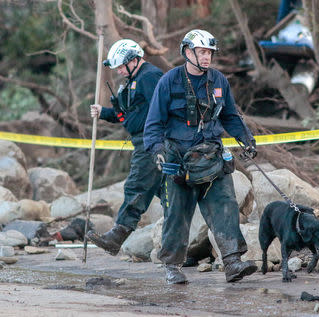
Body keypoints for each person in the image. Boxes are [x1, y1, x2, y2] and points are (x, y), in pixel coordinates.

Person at [143, 29, 258, 284]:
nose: (207, 57)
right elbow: (153, 122)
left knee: (226, 206)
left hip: (213, 157)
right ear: (187, 52)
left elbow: (229, 115)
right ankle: (172, 266)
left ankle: (232, 262)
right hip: (178, 161)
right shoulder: (169, 81)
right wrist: (156, 151)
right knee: (177, 215)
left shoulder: (219, 81)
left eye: (209, 53)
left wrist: (246, 138)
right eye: (202, 52)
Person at [86, 39, 163, 256]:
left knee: (137, 185)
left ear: (134, 60)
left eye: (121, 66)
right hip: (144, 139)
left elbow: (161, 109)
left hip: (151, 141)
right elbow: (129, 116)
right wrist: (104, 112)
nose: (119, 70)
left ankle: (117, 236)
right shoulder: (133, 80)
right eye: (117, 67)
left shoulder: (149, 77)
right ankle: (184, 242)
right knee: (166, 192)